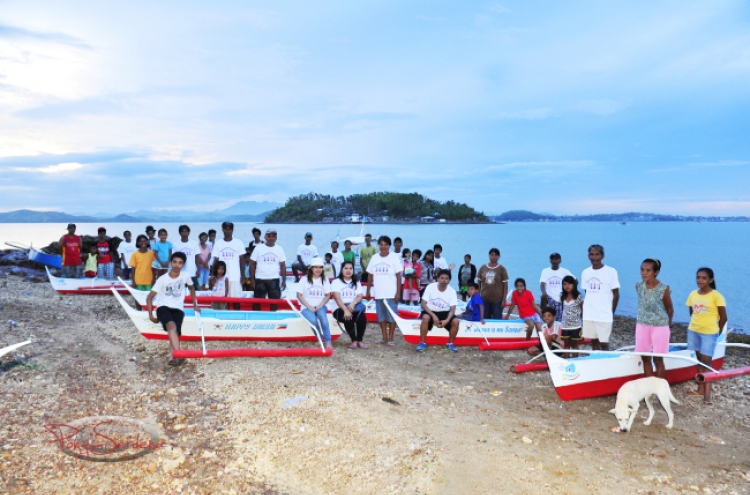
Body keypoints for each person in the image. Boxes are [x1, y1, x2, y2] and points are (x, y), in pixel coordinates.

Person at [146, 252, 200, 367]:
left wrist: (195, 304)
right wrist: (150, 315)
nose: (177, 265)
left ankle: (173, 357)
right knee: (171, 326)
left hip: (178, 308)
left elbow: (192, 288)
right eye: (175, 262)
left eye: (180, 263)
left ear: (183, 265)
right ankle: (179, 355)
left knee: (174, 332)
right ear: (170, 262)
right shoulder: (162, 279)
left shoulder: (185, 276)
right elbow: (150, 297)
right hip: (163, 307)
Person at [686, 267, 727, 407]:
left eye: (703, 278)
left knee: (707, 363)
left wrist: (716, 332)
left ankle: (708, 397)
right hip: (694, 331)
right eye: (698, 277)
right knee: (699, 361)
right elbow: (692, 312)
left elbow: (723, 317)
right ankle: (700, 389)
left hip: (709, 333)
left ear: (710, 280)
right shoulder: (692, 294)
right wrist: (697, 326)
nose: (700, 280)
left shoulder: (716, 296)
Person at [635, 259, 674, 379]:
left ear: (656, 272)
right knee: (645, 358)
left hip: (660, 326)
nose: (644, 273)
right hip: (642, 325)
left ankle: (660, 388)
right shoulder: (638, 286)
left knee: (658, 359)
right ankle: (649, 388)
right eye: (642, 269)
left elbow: (669, 309)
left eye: (648, 270)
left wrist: (667, 326)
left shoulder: (663, 288)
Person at [364, 236, 403, 346]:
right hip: (379, 293)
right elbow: (370, 275)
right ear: (379, 246)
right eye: (381, 244)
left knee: (391, 316)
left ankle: (391, 338)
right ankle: (384, 337)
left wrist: (398, 293)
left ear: (389, 246)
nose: (383, 246)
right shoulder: (375, 258)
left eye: (385, 244)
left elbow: (399, 276)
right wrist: (368, 291)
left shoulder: (394, 258)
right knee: (381, 316)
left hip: (391, 293)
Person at [581, 244, 620, 351]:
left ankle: (606, 363)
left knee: (604, 343)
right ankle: (595, 361)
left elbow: (616, 294)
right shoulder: (585, 272)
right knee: (594, 342)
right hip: (589, 314)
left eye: (597, 254)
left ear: (602, 256)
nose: (594, 257)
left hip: (604, 314)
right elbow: (587, 292)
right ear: (588, 256)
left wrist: (611, 312)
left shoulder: (611, 272)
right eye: (592, 255)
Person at [415, 269, 460, 353]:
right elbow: (423, 304)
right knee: (425, 317)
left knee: (456, 321)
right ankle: (422, 342)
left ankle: (450, 343)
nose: (444, 280)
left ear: (449, 280)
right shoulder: (430, 287)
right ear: (438, 278)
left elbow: (452, 309)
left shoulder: (452, 291)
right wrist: (433, 315)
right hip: (430, 311)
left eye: (446, 278)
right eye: (442, 278)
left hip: (443, 312)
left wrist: (446, 320)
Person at [297, 258, 332, 349]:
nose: (318, 269)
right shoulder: (304, 279)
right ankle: (319, 337)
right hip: (306, 307)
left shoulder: (325, 279)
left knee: (323, 317)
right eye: (316, 267)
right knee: (313, 320)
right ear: (311, 268)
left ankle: (328, 340)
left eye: (320, 267)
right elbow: (299, 295)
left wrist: (321, 305)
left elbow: (328, 295)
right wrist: (309, 307)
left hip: (321, 306)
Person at [331, 261, 367, 348]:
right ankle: (353, 340)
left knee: (362, 318)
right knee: (348, 317)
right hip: (340, 308)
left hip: (354, 306)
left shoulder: (356, 281)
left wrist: (353, 303)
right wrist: (345, 310)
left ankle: (360, 340)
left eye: (350, 268)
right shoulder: (336, 282)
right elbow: (337, 298)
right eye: (346, 268)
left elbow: (359, 296)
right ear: (342, 270)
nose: (348, 271)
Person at [249, 229, 287, 307]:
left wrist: (284, 280)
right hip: (260, 279)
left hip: (274, 279)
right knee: (257, 303)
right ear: (265, 237)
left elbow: (283, 265)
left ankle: (273, 318)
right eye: (269, 236)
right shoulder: (258, 248)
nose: (271, 238)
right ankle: (257, 318)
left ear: (276, 238)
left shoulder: (279, 249)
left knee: (274, 303)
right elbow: (252, 263)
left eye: (273, 236)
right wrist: (252, 280)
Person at [211, 221, 245, 299]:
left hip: (235, 277)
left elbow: (241, 259)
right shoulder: (218, 243)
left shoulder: (238, 243)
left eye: (229, 229)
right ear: (222, 230)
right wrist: (213, 274)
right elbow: (215, 260)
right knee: (223, 299)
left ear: (232, 230)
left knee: (236, 300)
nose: (228, 231)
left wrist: (242, 275)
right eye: (226, 229)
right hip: (221, 278)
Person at [477, 248, 509, 320]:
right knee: (484, 319)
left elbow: (505, 285)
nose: (493, 257)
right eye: (492, 255)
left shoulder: (502, 269)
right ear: (489, 256)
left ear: (498, 257)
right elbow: (478, 283)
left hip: (497, 300)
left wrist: (504, 299)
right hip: (485, 299)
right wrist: (478, 297)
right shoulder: (483, 267)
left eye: (496, 255)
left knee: (497, 320)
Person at [539, 253, 572, 322]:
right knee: (543, 298)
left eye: (556, 259)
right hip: (549, 297)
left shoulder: (564, 271)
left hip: (560, 297)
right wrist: (544, 292)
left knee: (559, 317)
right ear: (550, 261)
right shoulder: (545, 271)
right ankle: (544, 317)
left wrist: (569, 291)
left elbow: (575, 281)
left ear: (560, 261)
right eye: (553, 259)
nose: (554, 261)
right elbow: (542, 283)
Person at [560, 275, 584, 358]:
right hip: (565, 326)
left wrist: (582, 323)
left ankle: (575, 360)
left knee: (574, 344)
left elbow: (583, 310)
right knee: (566, 343)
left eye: (569, 284)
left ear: (573, 285)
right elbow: (563, 309)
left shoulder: (578, 296)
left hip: (575, 325)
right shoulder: (562, 296)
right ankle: (566, 360)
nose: (567, 286)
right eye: (565, 284)